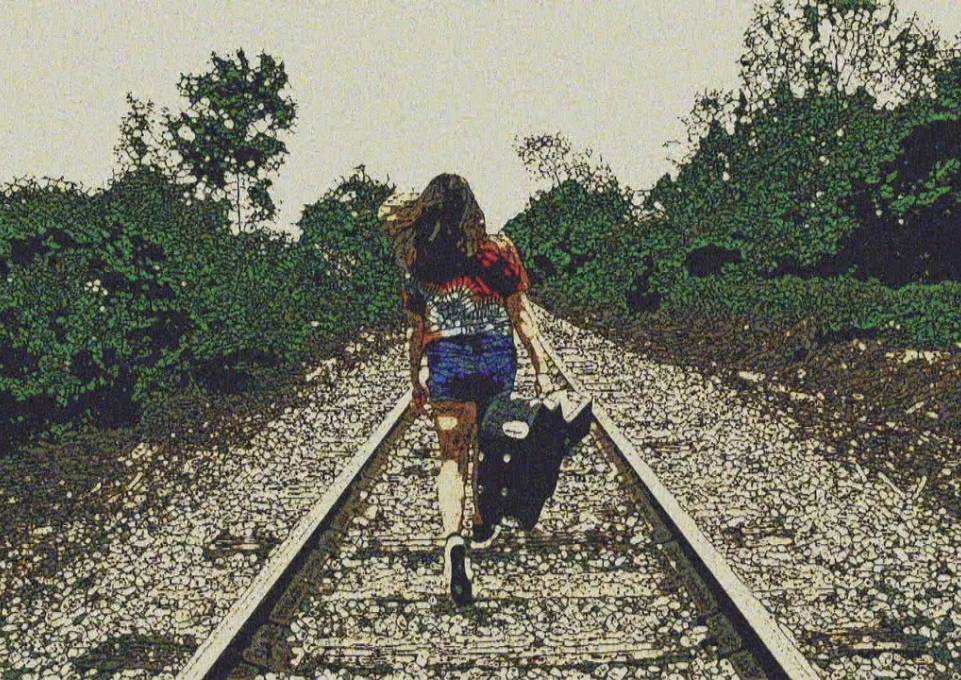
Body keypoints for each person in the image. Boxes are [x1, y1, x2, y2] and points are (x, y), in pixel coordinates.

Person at [379, 174, 552, 606]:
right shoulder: (499, 251)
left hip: (449, 366)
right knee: (490, 447)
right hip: (494, 363)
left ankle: (454, 542)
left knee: (451, 461)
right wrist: (542, 371)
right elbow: (522, 318)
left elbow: (418, 331)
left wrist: (413, 375)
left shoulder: (420, 263)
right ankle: (482, 516)